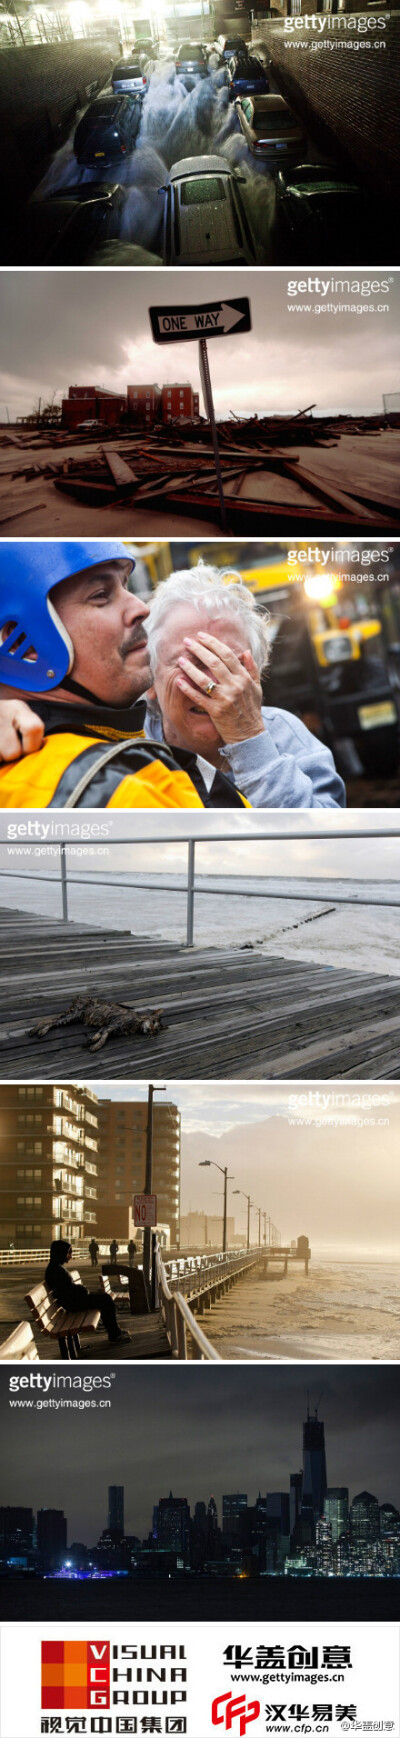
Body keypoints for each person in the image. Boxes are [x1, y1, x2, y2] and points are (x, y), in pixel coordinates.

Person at [0, 549, 345, 807]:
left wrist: (251, 742)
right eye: (188, 663)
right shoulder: (124, 768)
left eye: (230, 664)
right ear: (149, 676)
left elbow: (332, 854)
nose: (212, 684)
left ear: (256, 676)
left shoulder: (285, 737)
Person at [45, 1241, 130, 1345]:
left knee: (105, 1298)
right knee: (106, 1301)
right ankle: (114, 1334)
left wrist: (81, 1290)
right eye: (68, 1253)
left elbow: (67, 1289)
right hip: (72, 1304)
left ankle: (115, 1331)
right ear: (60, 1253)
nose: (70, 1256)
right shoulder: (56, 1270)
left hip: (72, 1301)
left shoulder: (55, 1267)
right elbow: (67, 1291)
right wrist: (82, 1290)